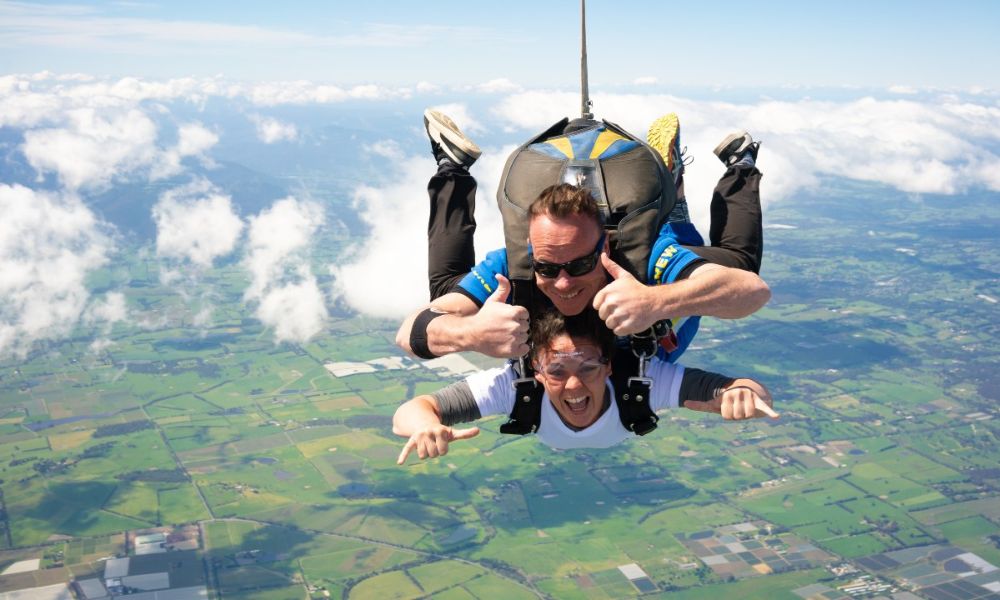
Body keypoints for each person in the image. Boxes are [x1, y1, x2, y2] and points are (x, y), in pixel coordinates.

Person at [397, 109, 769, 363]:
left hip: (655, 249)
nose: (562, 281)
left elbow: (752, 291)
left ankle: (737, 166)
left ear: (605, 245)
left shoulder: (643, 259)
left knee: (735, 261)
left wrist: (658, 302)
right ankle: (451, 167)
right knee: (448, 295)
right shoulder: (514, 267)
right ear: (531, 249)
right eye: (547, 267)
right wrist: (471, 334)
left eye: (579, 264)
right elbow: (410, 334)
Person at [394, 307, 778, 463]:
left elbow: (744, 389)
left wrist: (742, 394)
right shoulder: (517, 385)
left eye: (589, 368)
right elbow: (410, 413)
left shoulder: (642, 382)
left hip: (625, 334)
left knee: (679, 297)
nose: (574, 384)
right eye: (557, 371)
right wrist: (424, 425)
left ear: (609, 367)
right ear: (538, 371)